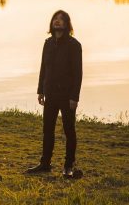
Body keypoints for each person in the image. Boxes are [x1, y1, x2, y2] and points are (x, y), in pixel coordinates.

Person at [26, 10, 83, 177]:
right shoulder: (48, 43)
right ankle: (45, 163)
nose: (57, 21)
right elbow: (43, 68)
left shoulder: (74, 45)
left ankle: (68, 166)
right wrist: (40, 91)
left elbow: (78, 74)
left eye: (61, 19)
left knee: (69, 130)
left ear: (67, 24)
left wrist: (74, 97)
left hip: (67, 95)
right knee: (47, 130)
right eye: (55, 19)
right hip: (50, 93)